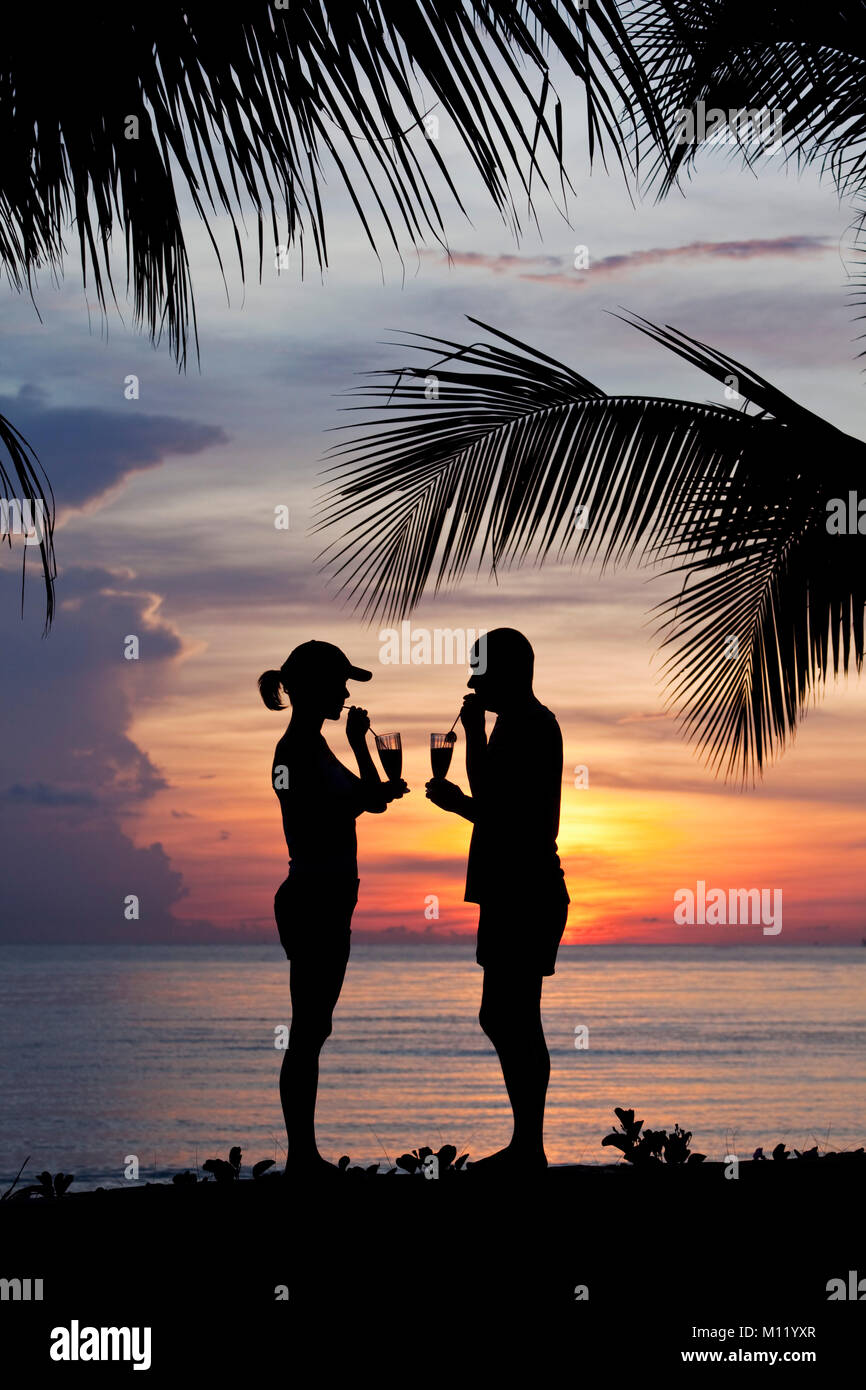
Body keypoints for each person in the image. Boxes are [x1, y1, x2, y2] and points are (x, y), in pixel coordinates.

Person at [259, 640, 407, 1175]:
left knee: (313, 1028)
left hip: (329, 901)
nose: (345, 692)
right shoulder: (294, 750)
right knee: (307, 1029)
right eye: (339, 683)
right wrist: (367, 782)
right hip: (314, 900)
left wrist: (361, 753)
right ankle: (302, 1157)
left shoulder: (315, 746)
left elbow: (367, 799)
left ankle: (305, 1155)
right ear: (312, 688)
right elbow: (329, 809)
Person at [425, 628, 569, 1172]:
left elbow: (504, 811)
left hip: (525, 891)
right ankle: (526, 1144)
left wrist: (461, 800)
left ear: (508, 673)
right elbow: (492, 797)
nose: (470, 682)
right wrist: (479, 737)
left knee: (513, 1017)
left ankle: (528, 1148)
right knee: (504, 1015)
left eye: (479, 672)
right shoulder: (517, 724)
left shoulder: (531, 725)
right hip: (512, 892)